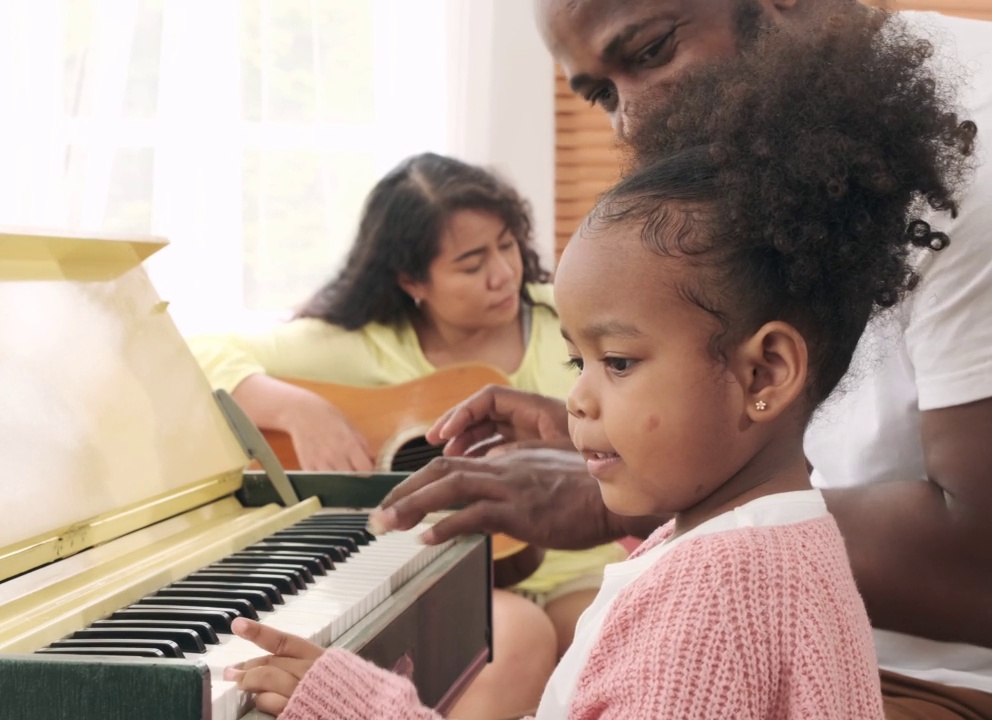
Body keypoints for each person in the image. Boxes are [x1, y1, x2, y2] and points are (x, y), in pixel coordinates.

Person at [223, 10, 975, 718]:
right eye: (575, 360)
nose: (575, 402)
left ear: (765, 373)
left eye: (615, 361)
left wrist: (364, 705)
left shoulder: (708, 610)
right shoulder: (785, 547)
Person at [189, 152, 627, 718]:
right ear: (412, 280)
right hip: (441, 575)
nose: (503, 273)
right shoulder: (369, 346)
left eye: (507, 244)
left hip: (574, 565)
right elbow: (198, 351)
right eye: (471, 264)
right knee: (519, 635)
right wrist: (298, 410)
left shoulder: (562, 318)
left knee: (619, 625)